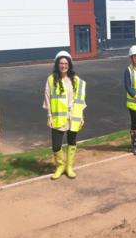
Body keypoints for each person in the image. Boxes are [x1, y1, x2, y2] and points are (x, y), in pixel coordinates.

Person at [43, 51, 86, 180]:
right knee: (56, 145)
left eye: (66, 63)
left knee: (72, 142)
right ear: (57, 64)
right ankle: (60, 166)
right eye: (61, 63)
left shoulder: (76, 80)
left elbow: (79, 99)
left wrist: (81, 116)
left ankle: (69, 167)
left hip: (73, 115)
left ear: (69, 65)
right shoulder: (51, 80)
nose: (63, 65)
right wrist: (49, 116)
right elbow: (47, 98)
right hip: (58, 117)